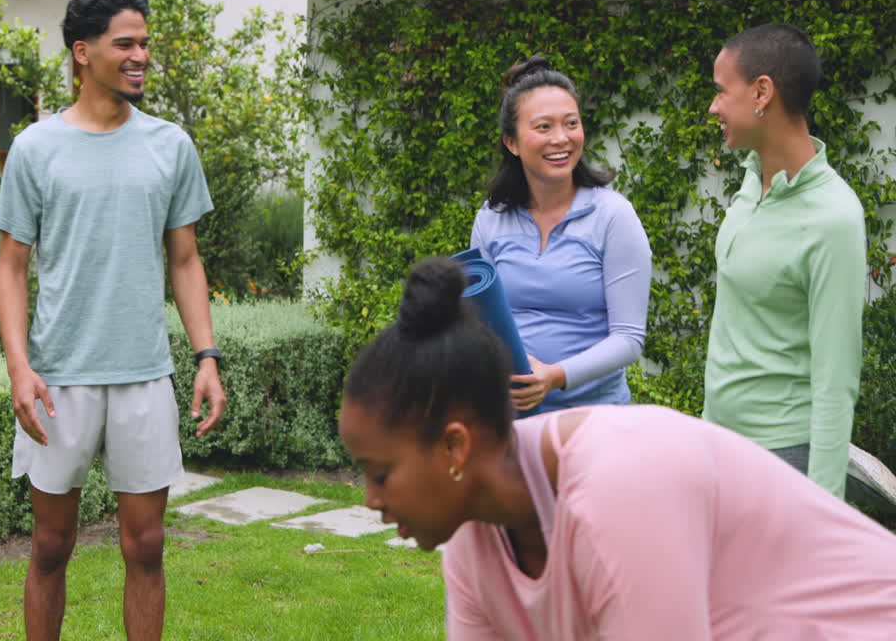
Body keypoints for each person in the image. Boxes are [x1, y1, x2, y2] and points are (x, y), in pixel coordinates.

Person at [339, 257, 896, 640]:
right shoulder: (477, 543)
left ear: (455, 448)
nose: (370, 499)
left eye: (381, 473)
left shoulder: (623, 486)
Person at [0, 0, 227, 641]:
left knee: (146, 546)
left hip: (144, 372)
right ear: (82, 52)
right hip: (59, 375)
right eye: (125, 44)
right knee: (50, 545)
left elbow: (185, 261)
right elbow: (10, 268)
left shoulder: (170, 145)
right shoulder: (37, 148)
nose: (141, 56)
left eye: (145, 44)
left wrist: (206, 355)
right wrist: (19, 369)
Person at [702, 24, 866, 498]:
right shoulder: (751, 184)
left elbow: (837, 380)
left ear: (761, 92)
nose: (713, 107)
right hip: (718, 444)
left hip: (782, 461)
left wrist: (825, 512)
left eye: (720, 91)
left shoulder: (833, 217)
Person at [470, 56, 651, 416]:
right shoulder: (491, 218)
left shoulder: (613, 216)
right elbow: (479, 322)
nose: (561, 138)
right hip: (512, 422)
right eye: (543, 127)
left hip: (594, 423)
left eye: (571, 123)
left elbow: (629, 339)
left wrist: (553, 376)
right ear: (512, 142)